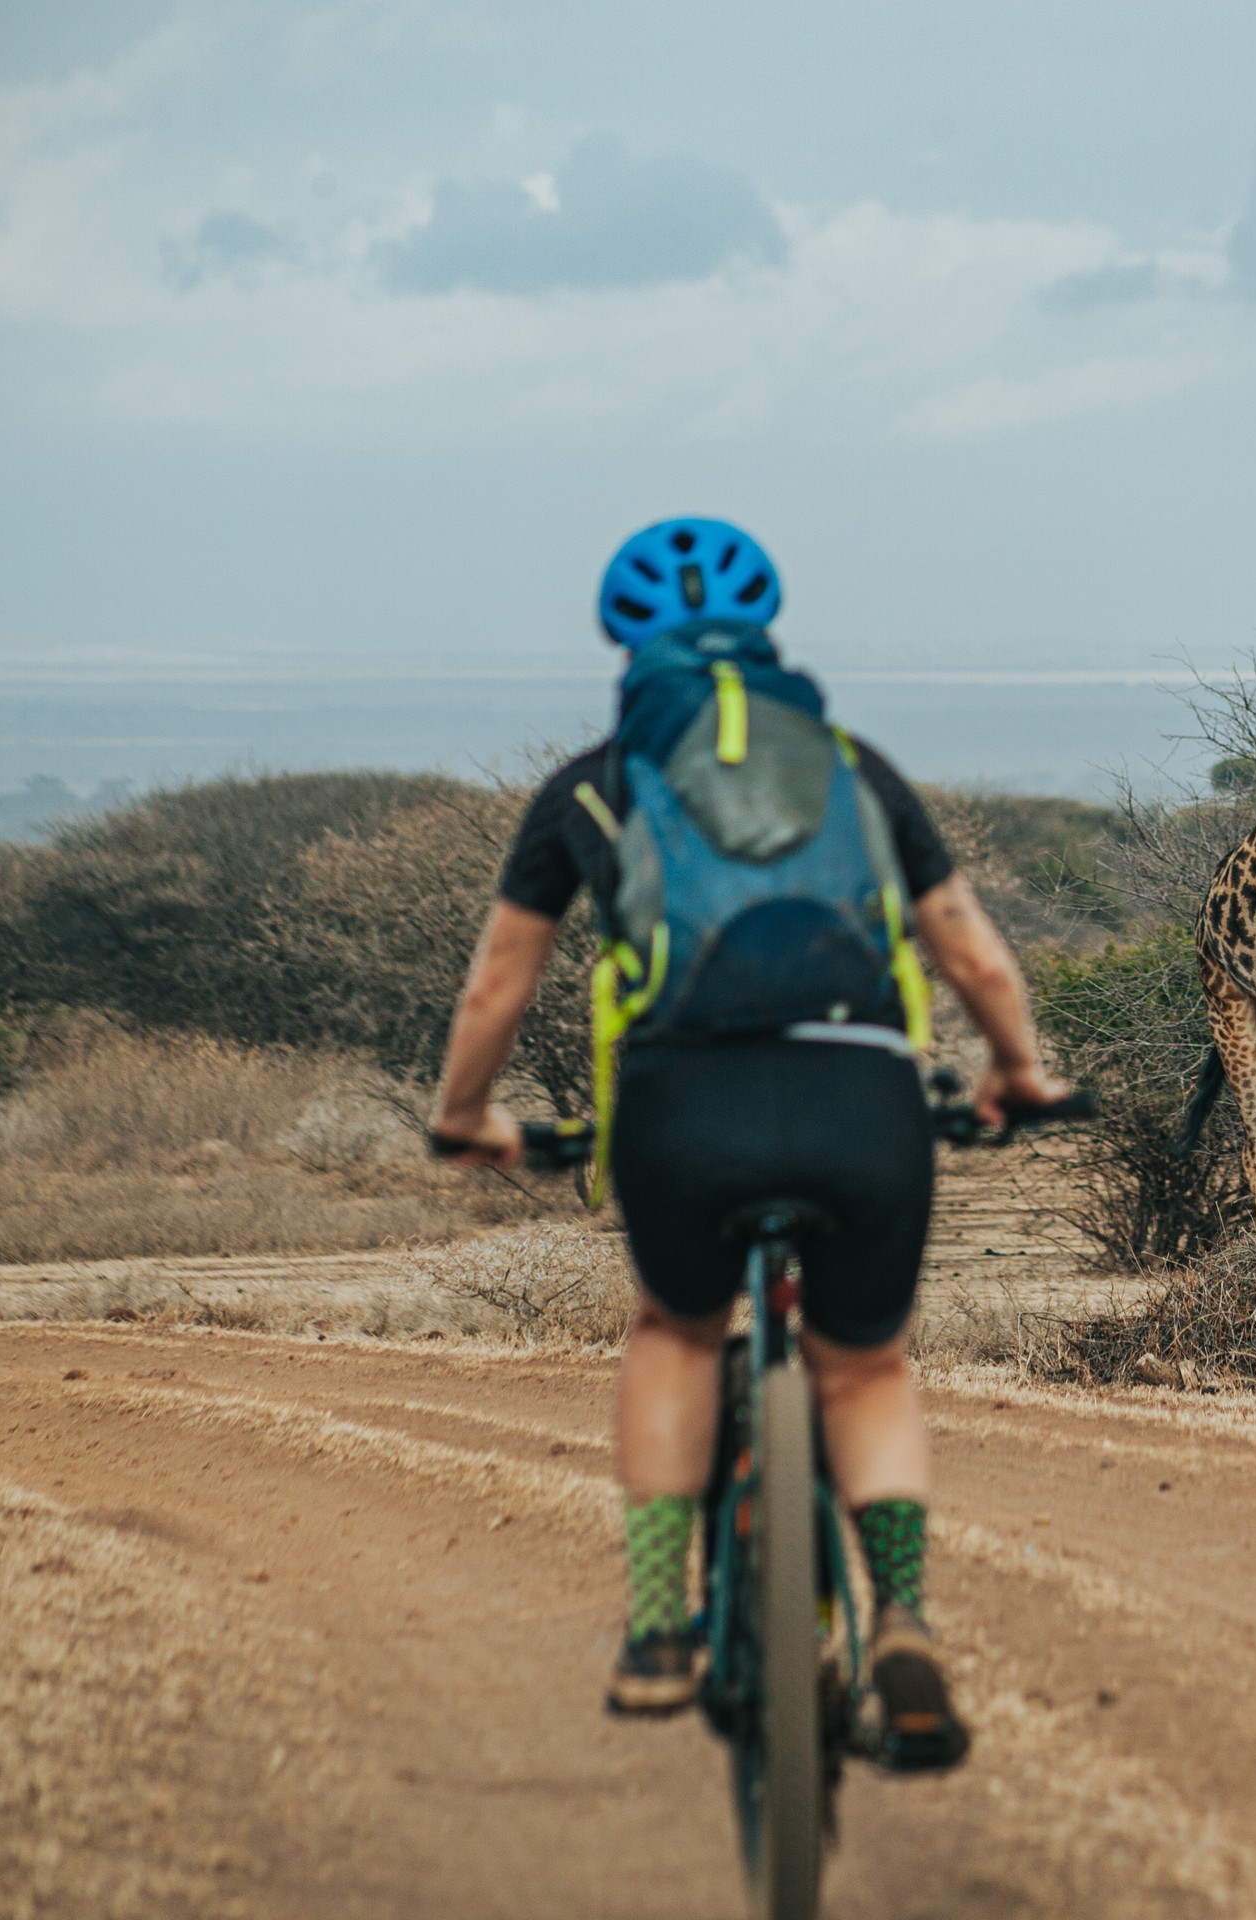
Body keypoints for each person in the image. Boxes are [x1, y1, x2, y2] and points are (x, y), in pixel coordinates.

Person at [429, 517, 1062, 1769]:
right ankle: (903, 1620)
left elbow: (495, 989)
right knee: (865, 1368)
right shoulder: (852, 768)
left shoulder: (590, 787)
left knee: (674, 1330)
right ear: (769, 637)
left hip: (680, 1111)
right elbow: (974, 954)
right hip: (864, 1102)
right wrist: (1021, 1072)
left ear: (624, 644)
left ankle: (661, 1629)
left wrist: (464, 1118)